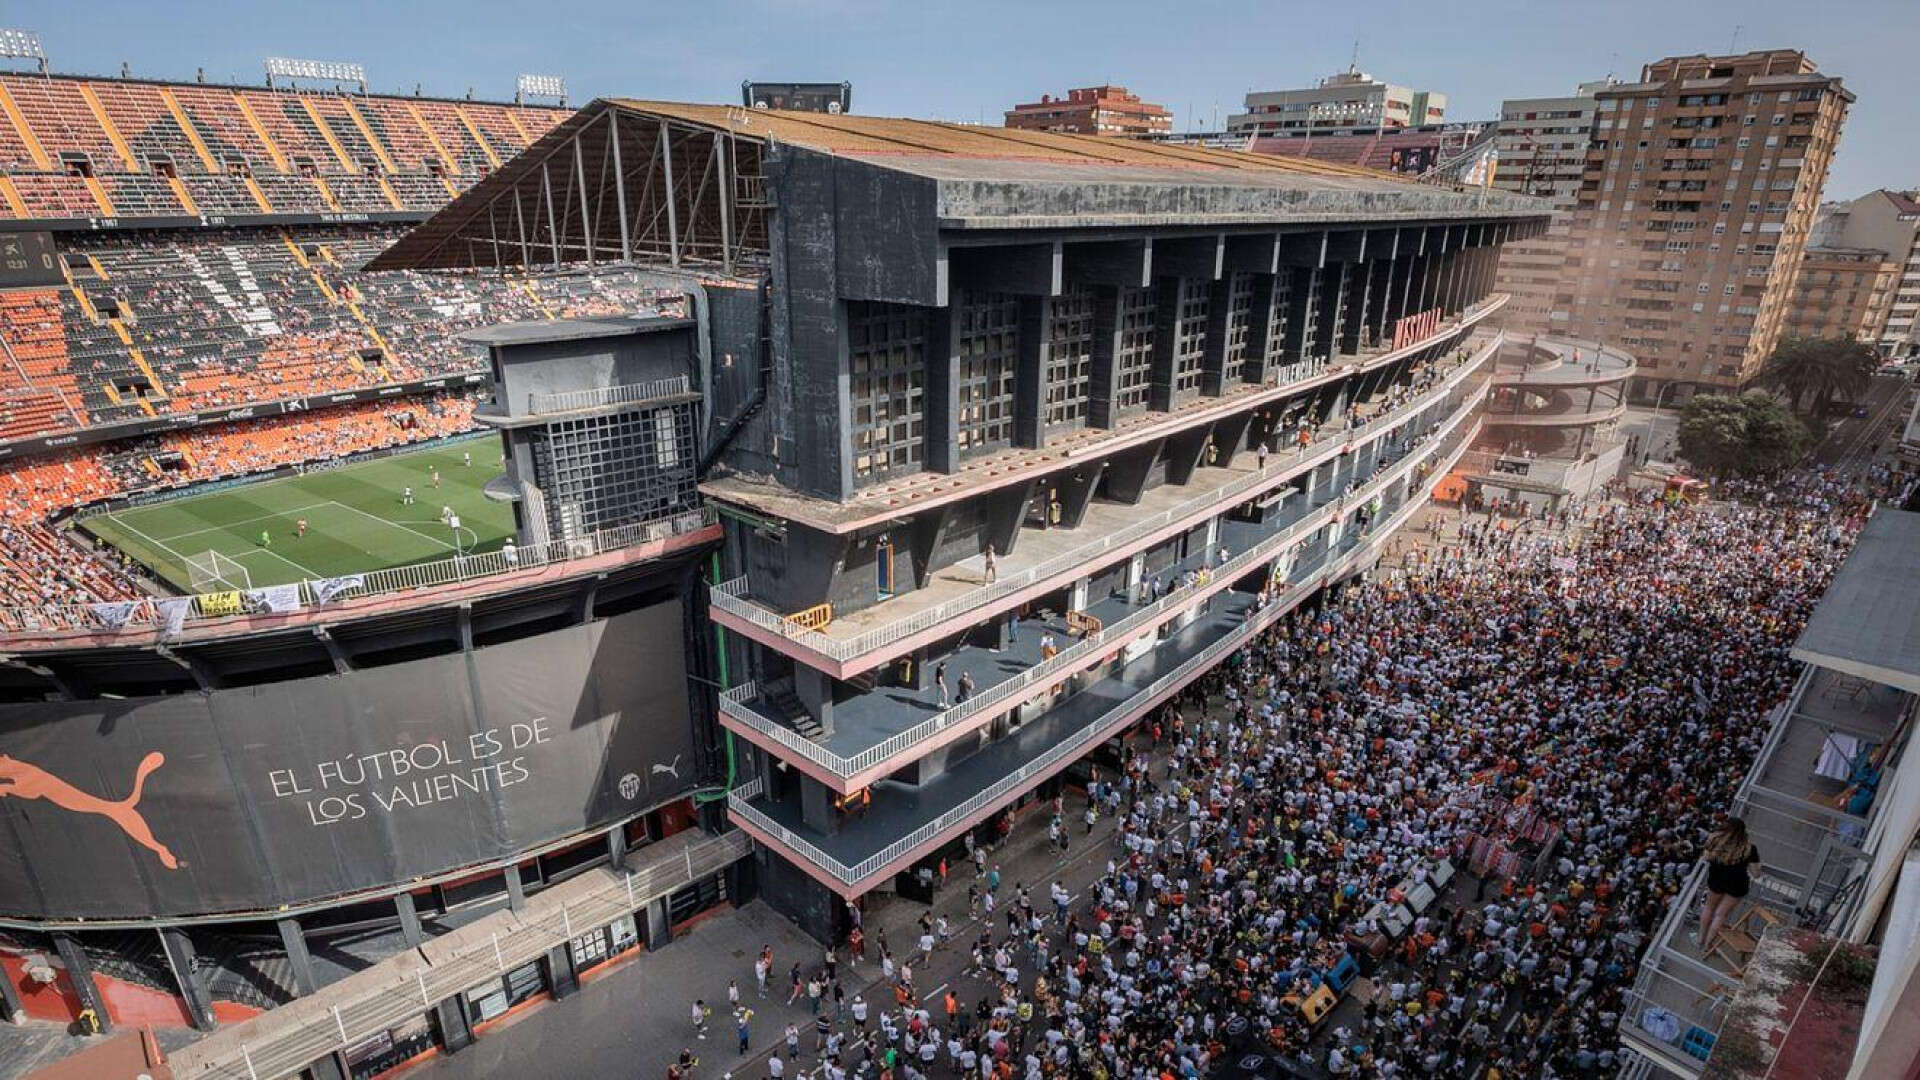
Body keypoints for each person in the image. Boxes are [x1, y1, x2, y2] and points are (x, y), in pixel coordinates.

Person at [1698, 817, 1762, 951]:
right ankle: (1708, 945)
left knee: (1709, 908)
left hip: (1716, 880)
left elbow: (1705, 857)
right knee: (1721, 914)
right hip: (1737, 884)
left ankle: (1700, 939)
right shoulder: (1749, 849)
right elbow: (1756, 873)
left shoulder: (1714, 840)